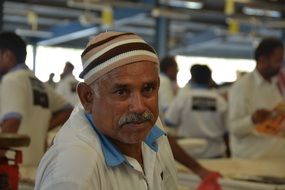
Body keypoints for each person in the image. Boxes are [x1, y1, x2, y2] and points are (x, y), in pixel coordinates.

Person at [35, 31, 178, 189]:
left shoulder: (147, 128)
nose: (139, 107)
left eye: (148, 88)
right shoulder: (74, 172)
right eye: (121, 92)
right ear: (88, 97)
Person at [0, 32, 73, 166]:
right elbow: (69, 110)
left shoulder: (12, 80)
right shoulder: (37, 82)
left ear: (7, 56)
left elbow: (12, 122)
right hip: (37, 163)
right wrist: (43, 127)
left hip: (13, 164)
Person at [228, 37, 285, 160]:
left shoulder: (279, 84)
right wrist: (253, 119)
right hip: (252, 163)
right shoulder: (242, 87)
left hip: (278, 161)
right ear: (263, 60)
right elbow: (234, 128)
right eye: (277, 61)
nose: (280, 66)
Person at [165, 64, 228, 158]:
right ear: (210, 79)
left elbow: (169, 121)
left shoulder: (183, 98)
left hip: (187, 155)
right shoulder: (219, 100)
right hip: (214, 153)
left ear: (192, 78)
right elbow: (227, 128)